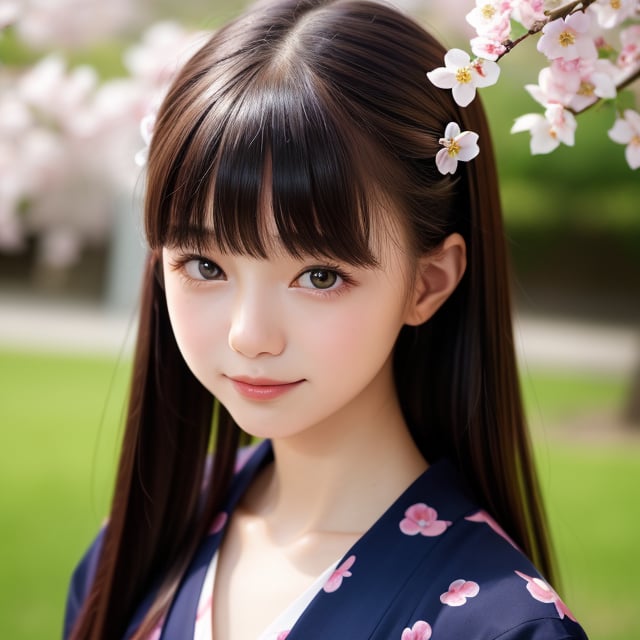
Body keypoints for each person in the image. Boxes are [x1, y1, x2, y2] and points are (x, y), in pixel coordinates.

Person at [64, 0, 589, 638]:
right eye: (204, 266)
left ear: (428, 283)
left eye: (319, 276)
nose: (249, 336)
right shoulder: (136, 549)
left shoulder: (497, 624)